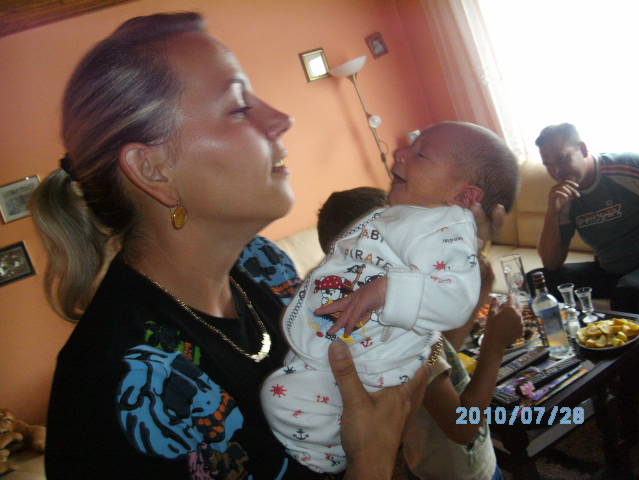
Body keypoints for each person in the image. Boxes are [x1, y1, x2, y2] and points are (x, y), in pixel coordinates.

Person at [31, 12, 433, 480]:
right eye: (239, 106)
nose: (283, 119)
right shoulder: (118, 386)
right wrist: (372, 460)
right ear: (154, 170)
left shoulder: (263, 264)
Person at [260, 122, 520, 473]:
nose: (401, 153)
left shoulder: (406, 309)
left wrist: (477, 287)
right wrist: (494, 348)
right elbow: (464, 426)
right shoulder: (384, 342)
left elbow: (443, 345)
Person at [316, 186, 517, 480]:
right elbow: (462, 428)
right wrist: (494, 348)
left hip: (441, 463)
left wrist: (479, 297)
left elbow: (439, 353)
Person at [530, 123, 639, 313]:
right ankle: (576, 329)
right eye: (548, 165)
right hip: (609, 270)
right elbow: (552, 263)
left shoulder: (627, 167)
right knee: (537, 281)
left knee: (628, 290)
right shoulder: (564, 196)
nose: (557, 172)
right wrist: (552, 213)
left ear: (582, 149)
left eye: (562, 159)